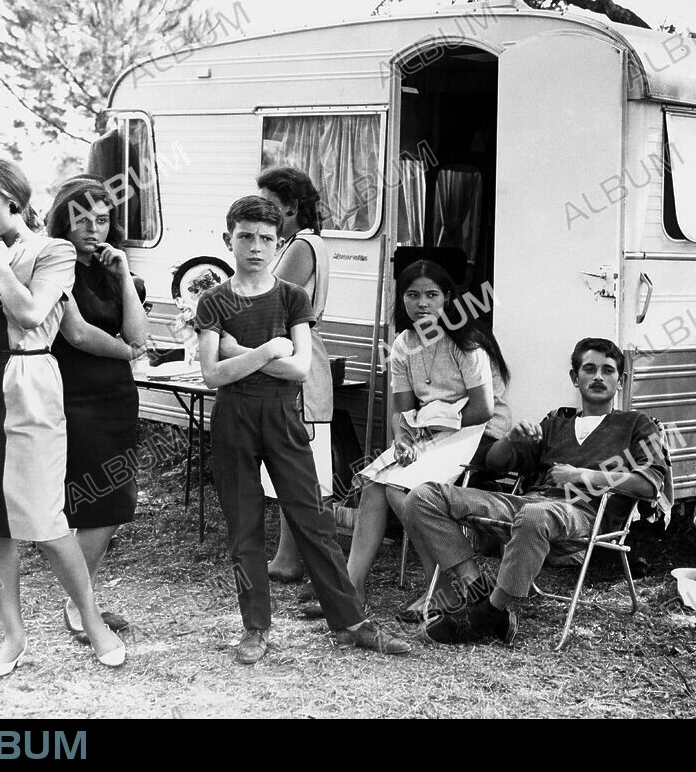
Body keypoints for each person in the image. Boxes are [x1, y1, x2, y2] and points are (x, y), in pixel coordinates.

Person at [195, 195, 409, 663]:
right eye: (245, 236)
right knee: (244, 526)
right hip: (233, 418)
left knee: (313, 519)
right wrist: (268, 350)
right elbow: (211, 375)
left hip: (282, 415)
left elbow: (299, 368)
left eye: (266, 238)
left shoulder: (293, 297)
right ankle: (255, 627)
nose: (255, 247)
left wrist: (240, 352)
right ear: (228, 239)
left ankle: (350, 621)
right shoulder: (214, 300)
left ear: (279, 243)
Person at [0, 158, 126, 678]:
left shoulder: (53, 252)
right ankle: (13, 637)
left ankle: (92, 621)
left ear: (14, 201)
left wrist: (0, 263)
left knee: (47, 519)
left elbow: (29, 314)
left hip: (30, 385)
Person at [404, 337, 671, 644]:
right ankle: (480, 594)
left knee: (534, 515)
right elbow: (494, 464)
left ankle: (484, 618)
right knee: (422, 497)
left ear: (620, 381)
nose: (599, 376)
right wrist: (510, 440)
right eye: (589, 369)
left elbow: (649, 485)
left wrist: (583, 475)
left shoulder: (636, 425)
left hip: (583, 513)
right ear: (575, 377)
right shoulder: (557, 422)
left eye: (608, 370)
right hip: (528, 504)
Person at [316, 259, 511, 620]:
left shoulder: (467, 342)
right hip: (431, 433)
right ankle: (352, 589)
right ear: (402, 299)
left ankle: (441, 586)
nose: (422, 303)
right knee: (375, 482)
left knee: (400, 488)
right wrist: (403, 438)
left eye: (431, 295)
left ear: (447, 297)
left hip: (477, 433)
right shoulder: (403, 344)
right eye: (412, 295)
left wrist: (429, 426)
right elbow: (401, 410)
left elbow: (483, 409)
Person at [46, 176, 149, 639]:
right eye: (83, 220)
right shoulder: (54, 267)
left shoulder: (113, 270)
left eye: (103, 220)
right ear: (63, 222)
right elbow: (78, 334)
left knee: (113, 503)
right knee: (98, 505)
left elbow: (139, 332)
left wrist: (123, 274)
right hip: (75, 398)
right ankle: (78, 606)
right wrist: (127, 351)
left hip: (117, 400)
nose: (94, 229)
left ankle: (81, 601)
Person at [220, 167, 332, 584]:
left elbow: (267, 299)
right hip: (286, 350)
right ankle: (289, 557)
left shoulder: (303, 245)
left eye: (269, 203)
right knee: (290, 465)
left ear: (291, 206)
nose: (262, 209)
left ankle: (305, 562)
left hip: (298, 355)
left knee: (302, 467)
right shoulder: (298, 243)